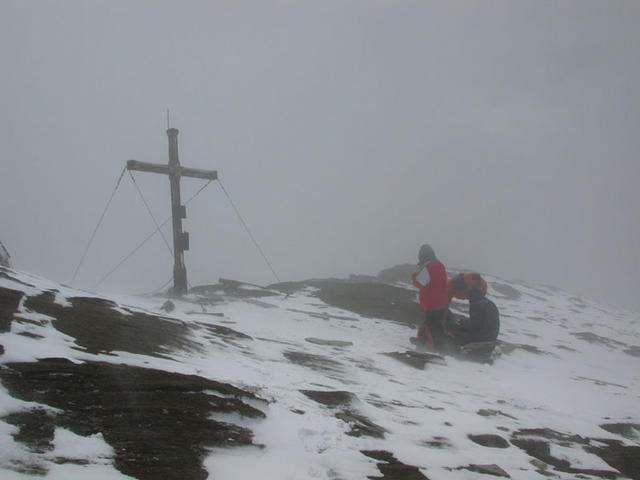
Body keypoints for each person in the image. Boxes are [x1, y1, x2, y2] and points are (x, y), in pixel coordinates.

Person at [411, 244, 449, 352]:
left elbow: (419, 283)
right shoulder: (441, 265)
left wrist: (415, 275)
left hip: (431, 303)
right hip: (442, 302)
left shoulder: (428, 267)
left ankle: (435, 348)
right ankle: (438, 345)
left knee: (432, 326)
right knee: (437, 326)